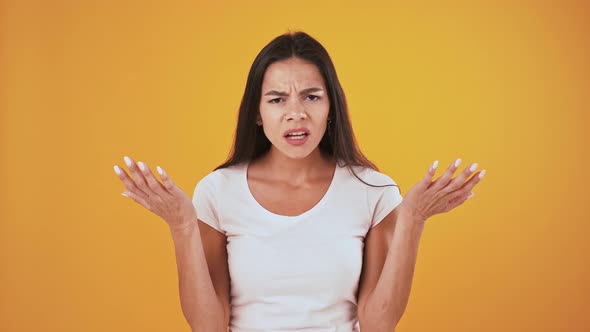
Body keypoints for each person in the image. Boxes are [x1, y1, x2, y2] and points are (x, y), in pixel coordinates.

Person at [113, 31, 486, 332]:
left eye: (311, 96)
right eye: (276, 100)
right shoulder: (218, 191)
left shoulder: (374, 191)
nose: (296, 113)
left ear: (331, 107)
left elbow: (378, 323)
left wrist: (413, 219)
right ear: (257, 114)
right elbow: (207, 326)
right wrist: (182, 225)